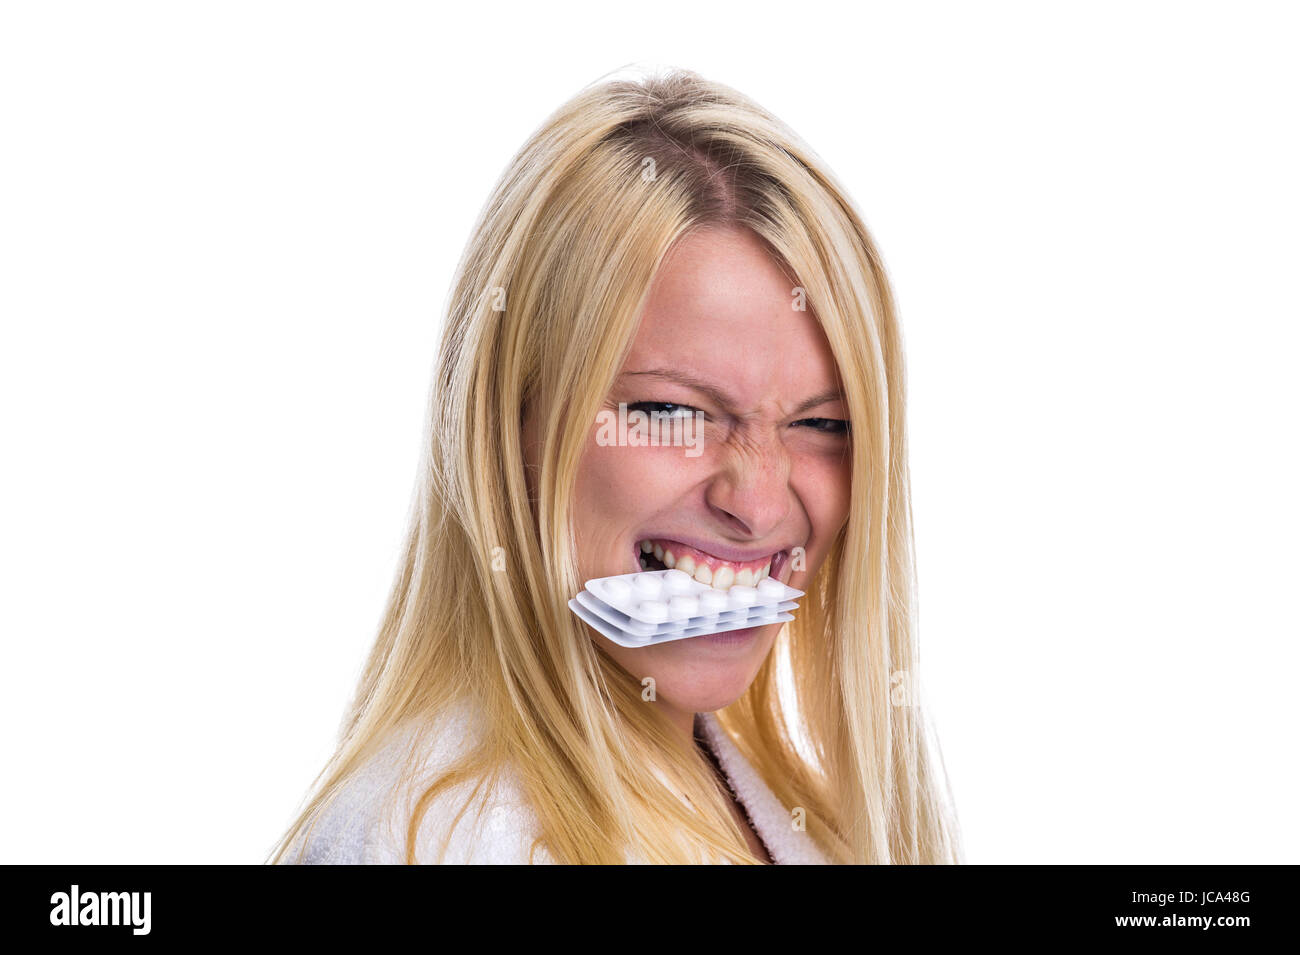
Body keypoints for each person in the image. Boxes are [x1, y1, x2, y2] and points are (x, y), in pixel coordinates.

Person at [270, 67, 962, 865]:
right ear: (513, 426)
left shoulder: (767, 802)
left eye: (820, 422)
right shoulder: (446, 839)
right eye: (671, 412)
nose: (760, 501)